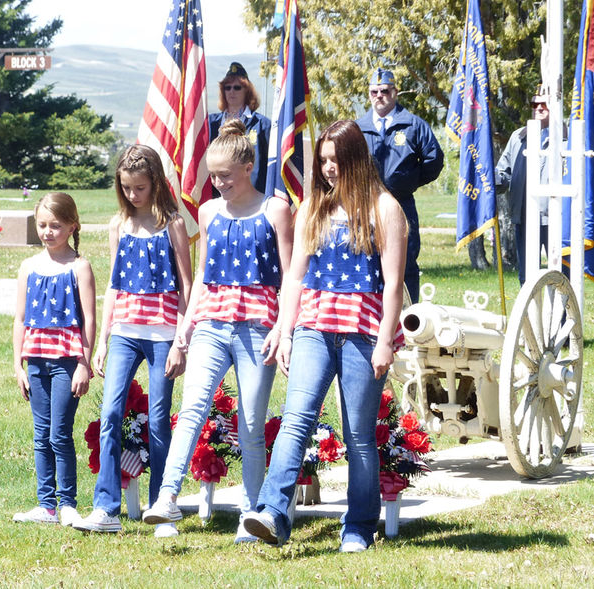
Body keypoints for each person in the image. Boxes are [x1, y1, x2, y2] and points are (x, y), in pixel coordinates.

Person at [243, 120, 407, 552]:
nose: (329, 168)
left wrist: (387, 340)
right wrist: (285, 329)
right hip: (314, 326)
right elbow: (294, 276)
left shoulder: (384, 208)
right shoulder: (314, 205)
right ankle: (273, 514)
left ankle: (359, 525)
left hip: (363, 333)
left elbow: (393, 283)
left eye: (337, 160)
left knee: (358, 435)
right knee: (296, 419)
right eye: (324, 161)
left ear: (356, 159)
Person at [141, 119, 293, 543]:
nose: (218, 183)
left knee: (250, 424)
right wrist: (183, 333)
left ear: (249, 167)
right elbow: (205, 276)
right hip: (210, 322)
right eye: (213, 176)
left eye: (225, 175)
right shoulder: (208, 212)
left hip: (257, 327)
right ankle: (167, 496)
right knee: (191, 409)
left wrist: (284, 328)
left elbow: (289, 275)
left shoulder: (275, 209)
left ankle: (251, 511)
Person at [73, 145, 192, 537]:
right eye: (126, 188)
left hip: (162, 336)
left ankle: (161, 506)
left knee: (159, 419)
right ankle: (106, 506)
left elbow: (186, 286)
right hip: (124, 331)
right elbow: (114, 282)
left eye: (140, 187)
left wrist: (181, 340)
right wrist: (103, 341)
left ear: (155, 183)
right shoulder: (117, 225)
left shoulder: (172, 224)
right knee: (110, 413)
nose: (133, 195)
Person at [12, 192, 96, 526]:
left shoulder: (79, 267)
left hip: (66, 363)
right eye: (43, 225)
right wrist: (17, 365)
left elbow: (89, 319)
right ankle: (46, 504)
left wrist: (83, 363)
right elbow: (20, 319)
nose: (48, 232)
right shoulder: (28, 267)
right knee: (40, 433)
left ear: (72, 225)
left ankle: (68, 503)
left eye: (56, 226)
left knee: (60, 433)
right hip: (36, 362)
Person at [356, 68, 444, 304]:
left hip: (402, 204)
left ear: (395, 93)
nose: (379, 96)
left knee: (405, 262)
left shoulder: (413, 125)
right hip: (367, 206)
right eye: (374, 92)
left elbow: (434, 160)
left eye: (384, 91)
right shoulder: (358, 127)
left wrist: (410, 181)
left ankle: (408, 319)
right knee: (367, 260)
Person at [495, 87, 551, 285]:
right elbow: (504, 172)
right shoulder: (518, 137)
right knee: (527, 277)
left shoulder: (567, 136)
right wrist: (491, 179)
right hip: (525, 217)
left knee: (561, 276)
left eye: (544, 103)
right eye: (535, 104)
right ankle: (530, 316)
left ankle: (563, 317)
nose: (539, 108)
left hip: (556, 219)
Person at [209, 62, 271, 194]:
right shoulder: (210, 124)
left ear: (247, 90)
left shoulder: (262, 124)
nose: (232, 91)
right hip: (217, 195)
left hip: (253, 196)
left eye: (237, 87)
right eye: (227, 87)